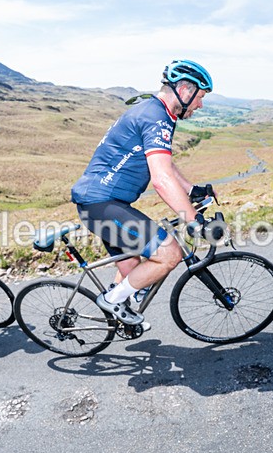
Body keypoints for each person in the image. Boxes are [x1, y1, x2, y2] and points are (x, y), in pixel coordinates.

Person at [70, 59, 214, 330]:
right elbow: (160, 179)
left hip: (103, 201)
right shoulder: (155, 116)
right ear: (185, 90)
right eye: (201, 97)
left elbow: (164, 164)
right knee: (169, 253)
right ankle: (112, 300)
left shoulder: (158, 112)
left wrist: (191, 189)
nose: (200, 105)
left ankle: (119, 311)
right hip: (101, 203)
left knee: (134, 264)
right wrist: (193, 220)